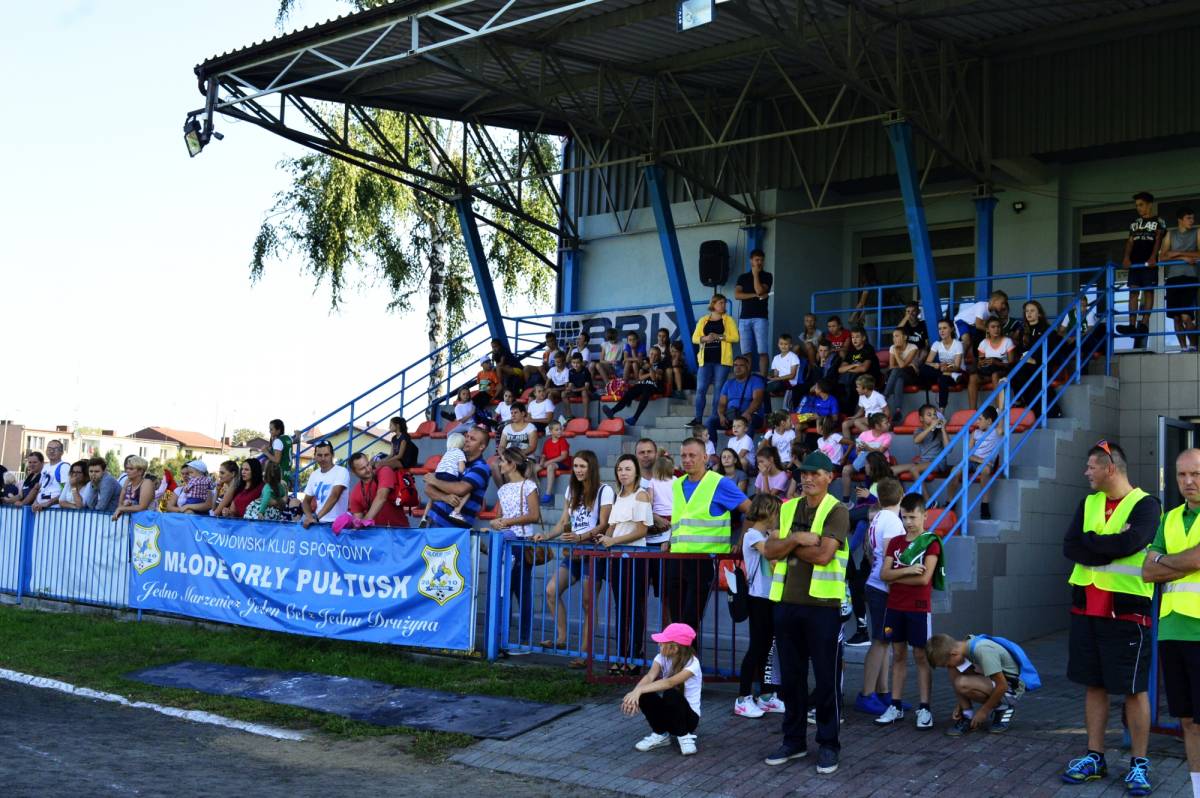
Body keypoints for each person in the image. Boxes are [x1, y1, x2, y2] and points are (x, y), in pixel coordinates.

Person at [1059, 439, 1159, 794]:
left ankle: (1139, 764)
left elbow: (1130, 544)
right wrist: (1104, 544)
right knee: (1094, 684)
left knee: (1133, 689)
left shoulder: (1146, 505)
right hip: (1086, 607)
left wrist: (1091, 543)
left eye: (1091, 467)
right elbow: (1070, 546)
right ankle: (1095, 757)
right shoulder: (1087, 503)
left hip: (1127, 611)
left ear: (1110, 468)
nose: (1086, 472)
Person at [761, 451, 849, 775]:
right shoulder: (787, 508)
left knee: (826, 680)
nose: (808, 478)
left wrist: (787, 545)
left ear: (829, 477)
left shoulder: (837, 510)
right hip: (787, 604)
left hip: (823, 607)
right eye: (804, 474)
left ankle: (829, 744)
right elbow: (769, 550)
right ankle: (794, 740)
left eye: (815, 474)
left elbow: (825, 555)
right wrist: (798, 538)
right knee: (791, 679)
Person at [1142, 448, 1200, 796]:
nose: (1188, 481)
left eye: (1196, 474)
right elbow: (1148, 572)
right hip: (1172, 630)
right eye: (1182, 475)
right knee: (1188, 722)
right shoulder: (1171, 518)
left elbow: (1197, 558)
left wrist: (1165, 560)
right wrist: (1182, 561)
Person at [666, 437, 751, 649]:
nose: (687, 460)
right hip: (676, 559)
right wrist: (668, 540)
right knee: (677, 621)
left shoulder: (719, 483)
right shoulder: (677, 484)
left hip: (703, 562)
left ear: (705, 457)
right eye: (683, 455)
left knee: (689, 620)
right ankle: (683, 665)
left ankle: (687, 666)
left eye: (692, 455)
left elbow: (751, 509)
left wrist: (741, 540)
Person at [534, 450, 613, 664]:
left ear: (591, 468)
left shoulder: (604, 490)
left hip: (593, 552)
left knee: (588, 602)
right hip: (574, 552)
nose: (578, 470)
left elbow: (604, 524)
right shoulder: (572, 489)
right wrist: (547, 535)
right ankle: (561, 638)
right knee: (551, 590)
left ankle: (585, 653)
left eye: (582, 466)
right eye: (576, 466)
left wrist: (581, 537)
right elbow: (563, 522)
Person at [875, 492, 942, 730]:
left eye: (913, 517)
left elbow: (924, 579)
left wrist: (895, 577)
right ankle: (895, 705)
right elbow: (884, 575)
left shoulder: (931, 542)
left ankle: (925, 708)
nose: (908, 522)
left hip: (918, 608)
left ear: (925, 515)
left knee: (921, 656)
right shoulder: (895, 542)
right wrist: (907, 571)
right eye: (904, 517)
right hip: (894, 606)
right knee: (898, 655)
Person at [851, 478, 905, 704]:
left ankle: (882, 692)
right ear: (901, 496)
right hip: (883, 587)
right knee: (880, 642)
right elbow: (891, 559)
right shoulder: (892, 520)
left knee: (884, 640)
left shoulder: (880, 517)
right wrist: (895, 587)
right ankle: (866, 694)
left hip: (877, 584)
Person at [598, 454, 654, 672]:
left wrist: (614, 541)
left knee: (635, 609)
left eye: (628, 469)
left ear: (636, 472)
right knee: (621, 608)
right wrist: (605, 539)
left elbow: (641, 530)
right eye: (620, 469)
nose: (623, 473)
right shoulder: (619, 496)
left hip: (636, 558)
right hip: (617, 559)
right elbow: (612, 526)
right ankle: (621, 655)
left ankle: (634, 658)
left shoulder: (641, 495)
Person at [736, 493, 786, 719]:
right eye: (777, 512)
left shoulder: (765, 535)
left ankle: (766, 695)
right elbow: (771, 554)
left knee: (768, 649)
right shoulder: (752, 535)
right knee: (756, 647)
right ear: (768, 512)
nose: (778, 518)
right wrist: (780, 538)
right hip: (758, 598)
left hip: (771, 596)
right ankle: (743, 698)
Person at [624, 623, 703, 757]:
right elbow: (650, 676)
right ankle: (660, 734)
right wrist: (635, 693)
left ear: (674, 648)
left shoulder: (692, 663)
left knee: (671, 693)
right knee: (644, 694)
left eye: (662, 643)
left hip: (688, 720)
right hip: (669, 716)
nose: (659, 644)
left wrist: (639, 690)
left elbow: (669, 682)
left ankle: (684, 736)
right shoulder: (661, 657)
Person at [490, 447, 542, 649]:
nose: (500, 464)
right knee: (505, 589)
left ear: (512, 464)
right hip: (507, 541)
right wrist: (496, 522)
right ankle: (503, 636)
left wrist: (506, 522)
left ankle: (524, 637)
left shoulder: (529, 485)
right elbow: (500, 516)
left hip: (521, 541)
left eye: (503, 461)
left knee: (522, 590)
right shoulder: (502, 489)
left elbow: (534, 515)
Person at [928, 633, 1026, 736]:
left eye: (946, 664)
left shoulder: (983, 651)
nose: (947, 667)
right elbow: (974, 675)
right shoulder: (964, 647)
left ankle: (1004, 707)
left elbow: (1002, 685)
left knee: (961, 682)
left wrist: (983, 712)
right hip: (995, 684)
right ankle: (967, 715)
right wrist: (961, 705)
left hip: (1011, 689)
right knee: (955, 671)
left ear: (953, 653)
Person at [1116, 192, 1167, 349]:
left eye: (1141, 204)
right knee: (1133, 292)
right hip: (1135, 263)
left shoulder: (1158, 221)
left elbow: (1158, 239)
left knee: (1148, 291)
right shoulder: (1135, 223)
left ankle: (1144, 324)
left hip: (1149, 262)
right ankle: (1132, 325)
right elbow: (1130, 242)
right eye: (1137, 205)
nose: (1138, 208)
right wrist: (1126, 258)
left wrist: (1153, 257)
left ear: (1149, 204)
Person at [423, 426, 492, 529]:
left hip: (454, 529)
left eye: (472, 439)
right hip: (432, 521)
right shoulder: (454, 458)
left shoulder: (481, 467)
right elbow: (428, 489)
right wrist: (445, 498)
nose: (467, 440)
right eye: (467, 436)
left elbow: (461, 489)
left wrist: (434, 481)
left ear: (481, 446)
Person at [689, 293, 739, 428]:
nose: (723, 305)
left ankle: (714, 418)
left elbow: (735, 337)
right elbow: (694, 338)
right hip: (705, 360)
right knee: (700, 389)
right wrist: (704, 338)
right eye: (720, 303)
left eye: (724, 303)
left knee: (718, 390)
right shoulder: (703, 320)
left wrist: (719, 337)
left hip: (722, 361)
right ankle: (698, 419)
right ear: (713, 304)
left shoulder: (728, 319)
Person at [941, 406, 1000, 519]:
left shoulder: (996, 432)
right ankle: (950, 502)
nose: (976, 422)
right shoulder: (975, 433)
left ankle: (985, 504)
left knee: (984, 469)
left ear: (989, 421)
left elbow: (1001, 417)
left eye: (980, 419)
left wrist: (984, 462)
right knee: (954, 471)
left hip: (986, 465)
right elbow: (968, 454)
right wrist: (981, 460)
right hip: (973, 461)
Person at [1160, 206, 1199, 352]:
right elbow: (1162, 257)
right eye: (1189, 218)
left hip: (1190, 278)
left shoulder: (1197, 232)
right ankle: (1183, 348)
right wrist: (1183, 257)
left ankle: (1194, 346)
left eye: (1192, 218)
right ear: (1180, 220)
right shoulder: (1170, 234)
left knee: (1186, 316)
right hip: (1173, 279)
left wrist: (1175, 253)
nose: (1192, 221)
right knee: (1176, 317)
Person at [893, 404, 949, 498]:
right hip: (923, 462)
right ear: (921, 418)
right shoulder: (918, 430)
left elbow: (949, 449)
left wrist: (943, 429)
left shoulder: (939, 432)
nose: (933, 417)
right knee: (891, 470)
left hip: (938, 462)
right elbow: (917, 440)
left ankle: (928, 501)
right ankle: (900, 497)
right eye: (929, 415)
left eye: (934, 414)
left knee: (914, 469)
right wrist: (931, 427)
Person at [709, 355, 766, 446]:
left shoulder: (756, 381)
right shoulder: (728, 383)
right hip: (732, 416)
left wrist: (748, 413)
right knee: (710, 421)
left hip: (750, 415)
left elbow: (757, 400)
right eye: (735, 365)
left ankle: (745, 450)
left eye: (741, 365)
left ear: (747, 367)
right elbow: (722, 403)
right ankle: (712, 451)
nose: (737, 368)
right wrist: (721, 415)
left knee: (749, 423)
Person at [735, 248, 773, 376]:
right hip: (744, 318)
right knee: (746, 352)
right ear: (751, 260)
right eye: (757, 260)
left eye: (761, 260)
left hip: (760, 318)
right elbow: (737, 295)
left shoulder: (767, 276)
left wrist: (756, 275)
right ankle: (746, 379)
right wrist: (754, 296)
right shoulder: (743, 277)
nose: (759, 262)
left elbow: (760, 291)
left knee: (762, 351)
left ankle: (763, 379)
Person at [347, 452, 409, 528]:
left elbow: (381, 497)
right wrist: (353, 525)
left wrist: (365, 521)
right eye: (362, 468)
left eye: (368, 464)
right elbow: (358, 521)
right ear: (354, 472)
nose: (368, 469)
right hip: (375, 533)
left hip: (399, 530)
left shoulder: (384, 471)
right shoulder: (355, 493)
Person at [841, 412, 892, 503]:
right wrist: (860, 451)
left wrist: (867, 448)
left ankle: (867, 494)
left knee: (868, 463)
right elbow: (858, 452)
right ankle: (846, 501)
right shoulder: (864, 434)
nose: (889, 424)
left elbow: (880, 451)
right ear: (877, 426)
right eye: (886, 423)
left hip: (880, 464)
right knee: (846, 469)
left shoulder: (888, 436)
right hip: (863, 463)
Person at [967, 317, 1016, 410]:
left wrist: (996, 362)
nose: (996, 329)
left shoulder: (1007, 341)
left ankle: (999, 410)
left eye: (998, 327)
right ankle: (972, 411)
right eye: (993, 327)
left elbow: (1011, 363)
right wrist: (984, 362)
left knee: (995, 375)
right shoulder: (983, 343)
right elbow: (980, 363)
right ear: (987, 329)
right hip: (987, 372)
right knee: (973, 377)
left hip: (1003, 371)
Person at [300, 441, 350, 528]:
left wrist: (316, 518)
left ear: (332, 455)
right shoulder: (314, 475)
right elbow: (305, 502)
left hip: (337, 525)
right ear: (315, 456)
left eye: (326, 455)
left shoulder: (342, 471)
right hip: (319, 524)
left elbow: (334, 496)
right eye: (319, 455)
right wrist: (310, 517)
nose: (323, 458)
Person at [918, 320, 964, 414]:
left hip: (956, 372)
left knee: (942, 379)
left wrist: (946, 367)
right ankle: (946, 374)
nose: (941, 331)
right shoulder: (937, 344)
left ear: (951, 329)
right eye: (940, 329)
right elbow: (927, 362)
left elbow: (957, 366)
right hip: (943, 371)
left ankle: (941, 412)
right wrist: (936, 365)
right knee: (923, 368)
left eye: (944, 328)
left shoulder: (957, 344)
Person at [423, 432, 467, 522]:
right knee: (466, 491)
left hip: (438, 474)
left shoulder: (447, 453)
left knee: (432, 496)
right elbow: (461, 469)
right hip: (449, 475)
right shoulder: (460, 452)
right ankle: (456, 512)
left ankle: (424, 517)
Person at [837, 326, 881, 414]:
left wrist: (848, 368)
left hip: (869, 378)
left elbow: (864, 368)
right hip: (853, 378)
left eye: (857, 337)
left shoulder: (868, 349)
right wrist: (853, 365)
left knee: (852, 382)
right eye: (853, 337)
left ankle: (849, 412)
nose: (854, 339)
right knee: (841, 384)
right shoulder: (851, 352)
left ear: (863, 338)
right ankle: (843, 412)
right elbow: (840, 369)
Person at [884, 327, 919, 424]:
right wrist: (901, 364)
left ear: (905, 337)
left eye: (897, 336)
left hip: (911, 376)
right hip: (898, 376)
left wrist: (896, 353)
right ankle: (898, 411)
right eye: (893, 336)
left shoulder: (913, 347)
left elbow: (903, 365)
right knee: (899, 379)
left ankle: (884, 397)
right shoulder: (892, 347)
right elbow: (891, 366)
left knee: (898, 372)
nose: (894, 339)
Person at [841, 374, 888, 441]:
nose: (856, 389)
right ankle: (848, 444)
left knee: (857, 422)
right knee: (845, 424)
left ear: (865, 389)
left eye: (858, 387)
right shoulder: (861, 396)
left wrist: (881, 422)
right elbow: (861, 410)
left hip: (876, 418)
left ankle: (874, 439)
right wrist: (854, 417)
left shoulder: (878, 396)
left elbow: (886, 411)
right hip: (867, 418)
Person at [32, 440, 70, 513]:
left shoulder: (64, 467)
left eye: (55, 449)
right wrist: (35, 501)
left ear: (62, 452)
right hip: (40, 508)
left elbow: (65, 491)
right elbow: (41, 488)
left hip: (55, 510)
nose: (51, 451)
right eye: (49, 449)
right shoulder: (45, 467)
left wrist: (48, 503)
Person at [112, 456, 155, 521]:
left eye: (131, 469)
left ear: (140, 471)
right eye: (127, 468)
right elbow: (120, 504)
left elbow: (142, 507)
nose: (127, 471)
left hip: (147, 522)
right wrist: (124, 505)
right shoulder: (127, 481)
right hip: (132, 521)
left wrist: (122, 508)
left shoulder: (147, 483)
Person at [562, 352, 593, 420]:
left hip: (588, 392)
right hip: (576, 391)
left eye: (578, 363)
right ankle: (569, 416)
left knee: (584, 392)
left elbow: (586, 387)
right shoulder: (571, 371)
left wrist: (575, 390)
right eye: (573, 363)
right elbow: (571, 384)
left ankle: (586, 416)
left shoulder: (586, 371)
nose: (575, 365)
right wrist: (569, 388)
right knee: (563, 394)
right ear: (571, 363)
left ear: (581, 362)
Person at [263, 419, 294, 488]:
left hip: (280, 471)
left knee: (278, 491)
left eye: (271, 429)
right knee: (284, 490)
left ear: (278, 430)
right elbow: (296, 440)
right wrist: (298, 434)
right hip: (287, 469)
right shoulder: (288, 437)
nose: (269, 431)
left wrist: (266, 452)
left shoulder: (278, 441)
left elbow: (277, 460)